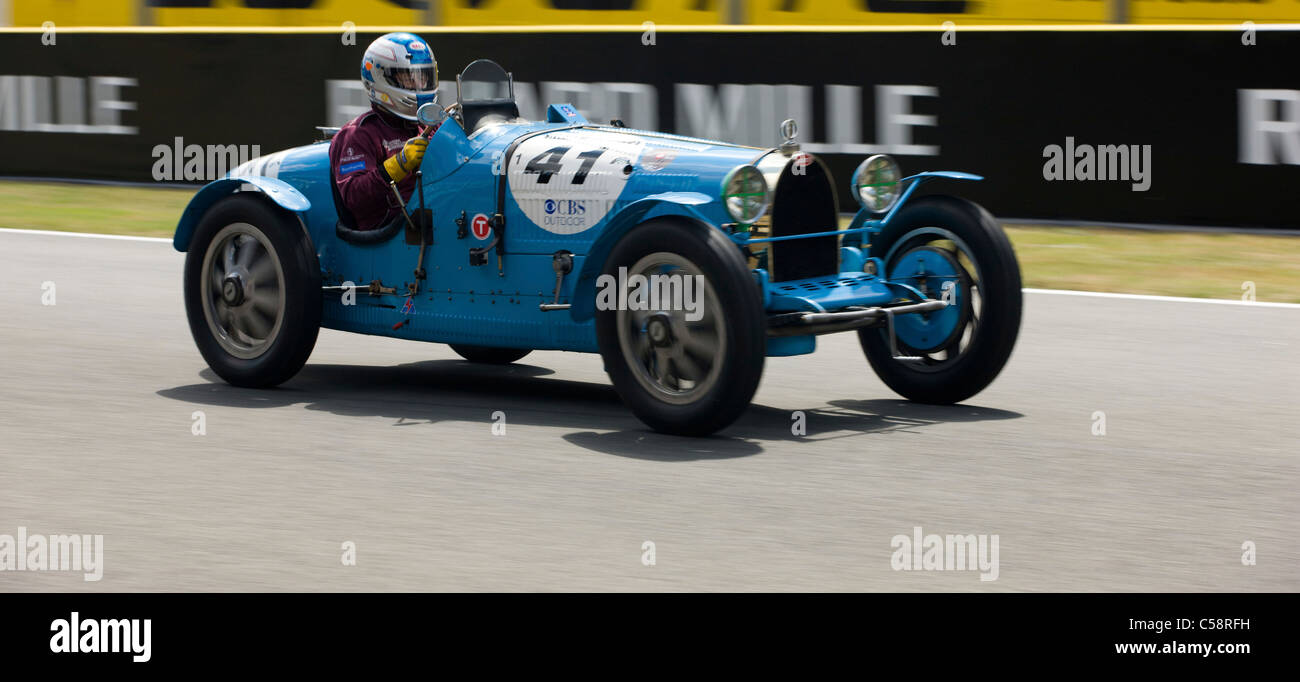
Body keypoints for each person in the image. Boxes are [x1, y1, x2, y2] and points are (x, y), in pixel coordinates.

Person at [329, 32, 439, 231]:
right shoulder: (359, 135)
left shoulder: (432, 125)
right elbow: (354, 197)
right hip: (395, 231)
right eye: (408, 79)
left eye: (422, 77)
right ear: (380, 79)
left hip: (438, 216)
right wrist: (398, 165)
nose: (418, 86)